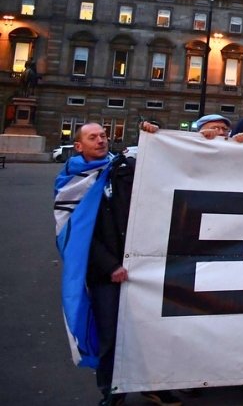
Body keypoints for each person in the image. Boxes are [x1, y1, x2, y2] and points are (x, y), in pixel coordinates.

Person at [55, 123, 182, 406]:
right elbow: (74, 235)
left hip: (140, 264)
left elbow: (162, 172)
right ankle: (112, 391)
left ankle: (155, 386)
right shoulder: (70, 181)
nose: (101, 140)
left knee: (151, 328)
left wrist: (154, 135)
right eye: (93, 137)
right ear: (79, 146)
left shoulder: (122, 168)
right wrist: (110, 266)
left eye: (103, 135)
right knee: (110, 334)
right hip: (104, 271)